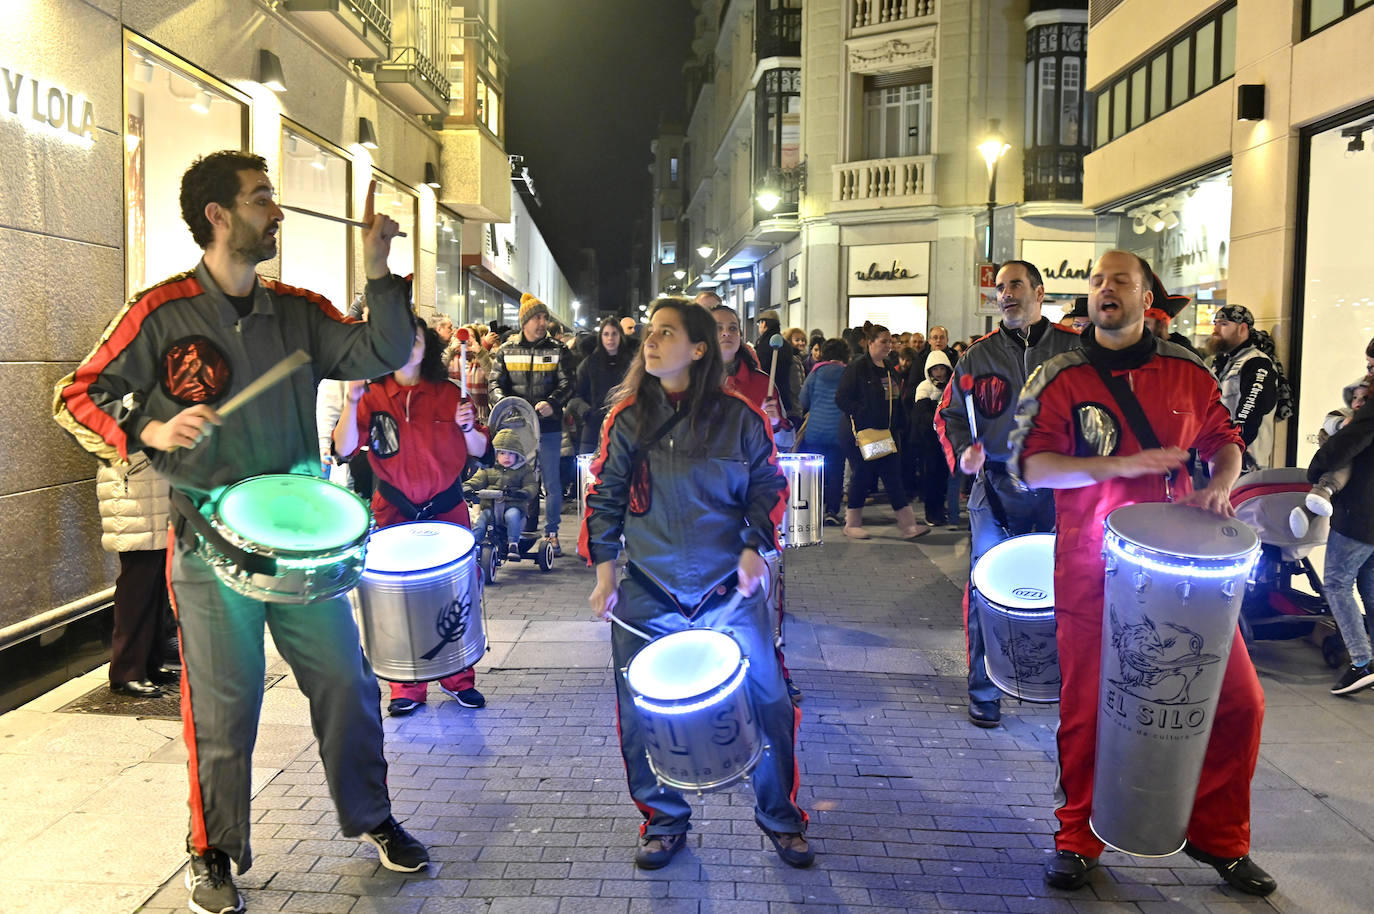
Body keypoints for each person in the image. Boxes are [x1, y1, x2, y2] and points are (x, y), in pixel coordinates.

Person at [53, 152, 429, 914]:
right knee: (224, 709)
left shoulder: (297, 309)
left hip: (300, 544)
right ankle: (213, 849)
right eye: (262, 199)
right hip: (208, 546)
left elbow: (383, 351)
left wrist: (380, 269)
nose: (276, 211)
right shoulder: (158, 312)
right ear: (218, 216)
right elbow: (76, 394)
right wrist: (150, 423)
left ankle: (371, 815)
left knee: (349, 688)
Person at [1009, 250, 1273, 897]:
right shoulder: (1057, 376)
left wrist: (1222, 485)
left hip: (1187, 577)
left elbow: (1226, 439)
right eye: (1097, 280)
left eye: (1119, 280)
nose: (1105, 289)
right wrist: (1122, 467)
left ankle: (1220, 838)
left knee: (1239, 702)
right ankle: (1077, 838)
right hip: (1090, 568)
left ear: (1146, 295)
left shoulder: (1187, 370)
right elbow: (1031, 468)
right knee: (1087, 711)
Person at [580, 297, 813, 871]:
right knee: (640, 709)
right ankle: (662, 820)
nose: (651, 342)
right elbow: (604, 498)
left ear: (699, 347)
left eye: (666, 333)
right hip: (649, 591)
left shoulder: (741, 417)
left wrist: (757, 547)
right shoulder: (626, 417)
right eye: (649, 334)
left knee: (769, 702)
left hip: (729, 593)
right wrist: (606, 571)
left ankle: (780, 817)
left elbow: (769, 486)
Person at [936, 259, 1081, 729]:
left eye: (1016, 285)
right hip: (995, 487)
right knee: (987, 590)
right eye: (1000, 287)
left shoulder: (1076, 351)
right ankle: (984, 688)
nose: (1006, 294)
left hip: (1061, 490)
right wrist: (963, 453)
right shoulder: (977, 357)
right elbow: (951, 416)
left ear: (1040, 292)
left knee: (1068, 591)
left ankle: (1062, 684)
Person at [334, 315, 491, 717]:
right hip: (394, 510)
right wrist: (351, 400)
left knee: (454, 593)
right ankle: (407, 685)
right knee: (397, 598)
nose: (409, 347)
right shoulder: (371, 396)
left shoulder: (449, 395)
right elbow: (345, 448)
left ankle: (458, 677)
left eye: (416, 339)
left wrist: (469, 425)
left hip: (446, 508)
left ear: (427, 347)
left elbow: (477, 449)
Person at [489, 293, 576, 555]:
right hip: (515, 430)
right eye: (537, 317)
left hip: (548, 428)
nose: (542, 322)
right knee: (514, 479)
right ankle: (513, 531)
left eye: (545, 317)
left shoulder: (557, 350)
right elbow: (494, 383)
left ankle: (552, 534)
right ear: (524, 321)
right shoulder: (506, 350)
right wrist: (504, 404)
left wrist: (553, 403)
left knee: (551, 482)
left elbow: (568, 383)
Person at [1308, 374, 1374, 696]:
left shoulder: (1368, 415)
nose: (1369, 369)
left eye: (1373, 364)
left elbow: (1342, 448)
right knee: (1370, 587)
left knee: (1336, 582)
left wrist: (1317, 467)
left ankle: (1362, 663)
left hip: (1361, 512)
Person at [835, 323, 930, 540]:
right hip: (861, 433)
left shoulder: (888, 367)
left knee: (891, 475)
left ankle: (908, 526)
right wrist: (863, 413)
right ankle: (852, 523)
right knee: (863, 474)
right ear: (870, 343)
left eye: (890, 341)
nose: (889, 345)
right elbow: (842, 398)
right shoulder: (858, 368)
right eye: (883, 341)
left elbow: (894, 401)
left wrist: (900, 424)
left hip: (885, 432)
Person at [97, 457, 178, 697]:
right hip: (133, 491)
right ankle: (126, 673)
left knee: (156, 585)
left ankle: (149, 665)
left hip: (153, 490)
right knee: (137, 587)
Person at [1209, 304, 1281, 471]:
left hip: (1245, 460)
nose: (1216, 329)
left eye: (1224, 324)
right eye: (1216, 323)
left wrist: (1235, 447)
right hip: (1215, 455)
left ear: (1242, 329)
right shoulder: (1220, 362)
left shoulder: (1257, 362)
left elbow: (1251, 409)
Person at [466, 427, 540, 560]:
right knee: (481, 521)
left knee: (512, 516)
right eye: (502, 453)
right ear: (496, 454)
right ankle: (473, 546)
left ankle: (513, 544)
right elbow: (477, 480)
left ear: (518, 455)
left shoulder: (523, 470)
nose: (506, 457)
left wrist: (523, 492)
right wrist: (467, 487)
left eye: (511, 454)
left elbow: (531, 485)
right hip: (490, 507)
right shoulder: (488, 469)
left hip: (514, 505)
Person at [799, 339, 849, 525]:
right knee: (836, 472)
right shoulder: (847, 374)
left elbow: (803, 399)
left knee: (815, 473)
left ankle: (813, 510)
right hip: (839, 433)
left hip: (815, 432)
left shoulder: (815, 374)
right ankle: (832, 511)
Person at [573, 316, 632, 453]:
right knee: (588, 470)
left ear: (620, 336)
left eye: (614, 334)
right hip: (594, 428)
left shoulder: (631, 363)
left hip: (625, 426)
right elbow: (576, 394)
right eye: (606, 334)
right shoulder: (589, 363)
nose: (610, 338)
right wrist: (587, 412)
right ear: (601, 337)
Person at [913, 349, 954, 526]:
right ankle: (931, 512)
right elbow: (921, 416)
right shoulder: (924, 387)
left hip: (946, 440)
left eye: (942, 368)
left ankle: (941, 509)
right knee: (930, 476)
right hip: (928, 441)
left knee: (943, 477)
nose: (939, 372)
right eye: (935, 369)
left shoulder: (951, 386)